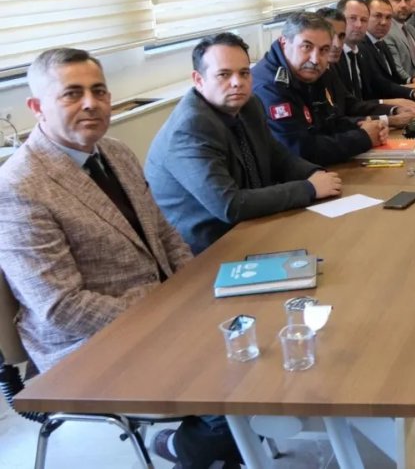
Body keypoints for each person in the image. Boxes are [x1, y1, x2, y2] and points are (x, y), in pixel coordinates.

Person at [0, 48, 242, 467]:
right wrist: (167, 308)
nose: (90, 103)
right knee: (239, 390)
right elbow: (62, 308)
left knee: (260, 347)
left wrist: (194, 291)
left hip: (162, 313)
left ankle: (220, 447)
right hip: (88, 346)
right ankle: (183, 449)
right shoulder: (19, 188)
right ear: (37, 107)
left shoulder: (116, 153)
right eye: (72, 93)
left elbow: (164, 234)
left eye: (99, 91)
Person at [146, 33, 341, 255]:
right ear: (199, 80)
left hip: (252, 226)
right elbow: (230, 205)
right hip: (208, 248)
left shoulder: (249, 104)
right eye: (224, 74)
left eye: (244, 73)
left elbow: (277, 156)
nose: (237, 82)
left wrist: (314, 174)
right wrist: (309, 188)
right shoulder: (189, 128)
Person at [251, 12, 387, 165]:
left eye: (324, 50)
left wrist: (360, 124)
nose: (315, 59)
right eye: (306, 47)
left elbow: (327, 122)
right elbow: (298, 150)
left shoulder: (307, 72)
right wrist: (363, 137)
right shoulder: (270, 86)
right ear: (284, 43)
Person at [316, 7, 415, 127]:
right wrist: (389, 119)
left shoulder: (331, 69)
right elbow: (333, 123)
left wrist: (394, 110)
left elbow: (352, 104)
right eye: (353, 18)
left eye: (341, 36)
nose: (337, 44)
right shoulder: (326, 67)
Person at [337, 0, 415, 98]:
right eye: (378, 16)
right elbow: (375, 87)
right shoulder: (358, 48)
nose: (384, 22)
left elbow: (388, 79)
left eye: (388, 18)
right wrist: (408, 91)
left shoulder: (381, 42)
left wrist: (411, 81)